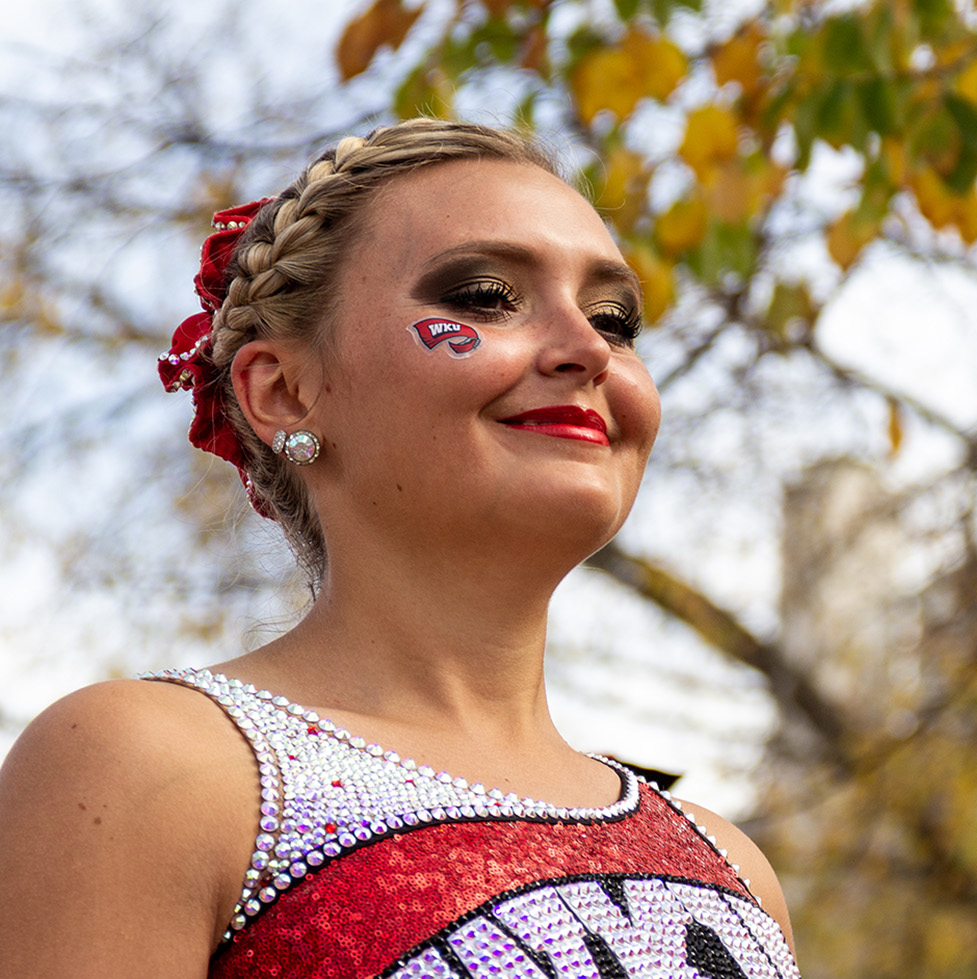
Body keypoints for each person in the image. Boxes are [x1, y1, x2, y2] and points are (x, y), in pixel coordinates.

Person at [0, 119, 799, 979]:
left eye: (613, 317)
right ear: (285, 391)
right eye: (486, 296)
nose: (586, 351)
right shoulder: (150, 768)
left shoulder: (731, 866)